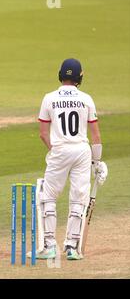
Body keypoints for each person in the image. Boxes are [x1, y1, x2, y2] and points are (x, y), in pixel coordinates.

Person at [36, 58, 108, 260]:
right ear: (79, 77)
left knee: (48, 196)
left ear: (60, 75)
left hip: (60, 150)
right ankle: (71, 248)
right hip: (82, 151)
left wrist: (54, 149)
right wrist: (97, 163)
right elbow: (96, 136)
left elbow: (43, 133)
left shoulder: (49, 98)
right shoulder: (86, 99)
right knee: (78, 198)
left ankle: (50, 245)